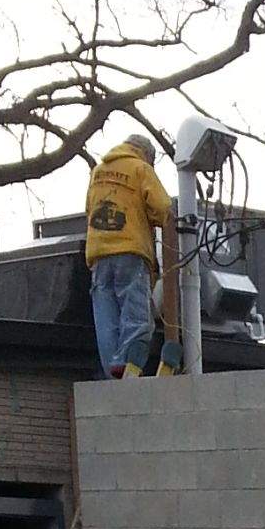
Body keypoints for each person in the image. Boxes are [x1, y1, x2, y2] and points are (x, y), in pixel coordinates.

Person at [83, 131, 176, 376]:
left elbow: (89, 209)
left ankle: (110, 369)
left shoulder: (98, 172)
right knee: (136, 318)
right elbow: (162, 206)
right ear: (146, 155)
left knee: (106, 318)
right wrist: (156, 220)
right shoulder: (141, 168)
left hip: (99, 253)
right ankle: (127, 364)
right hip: (130, 249)